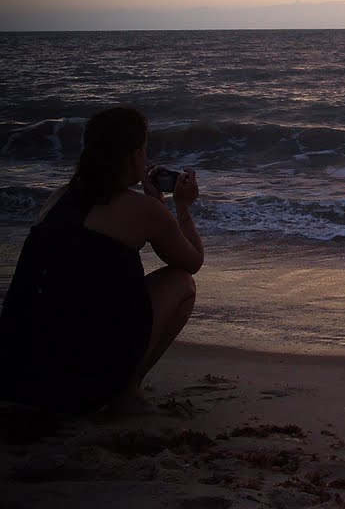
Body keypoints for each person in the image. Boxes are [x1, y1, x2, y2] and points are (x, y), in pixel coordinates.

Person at [0, 106, 204, 416]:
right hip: (82, 383)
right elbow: (192, 260)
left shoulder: (58, 197)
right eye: (145, 147)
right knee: (182, 282)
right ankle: (127, 392)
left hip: (18, 372)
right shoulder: (143, 211)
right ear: (134, 153)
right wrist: (182, 207)